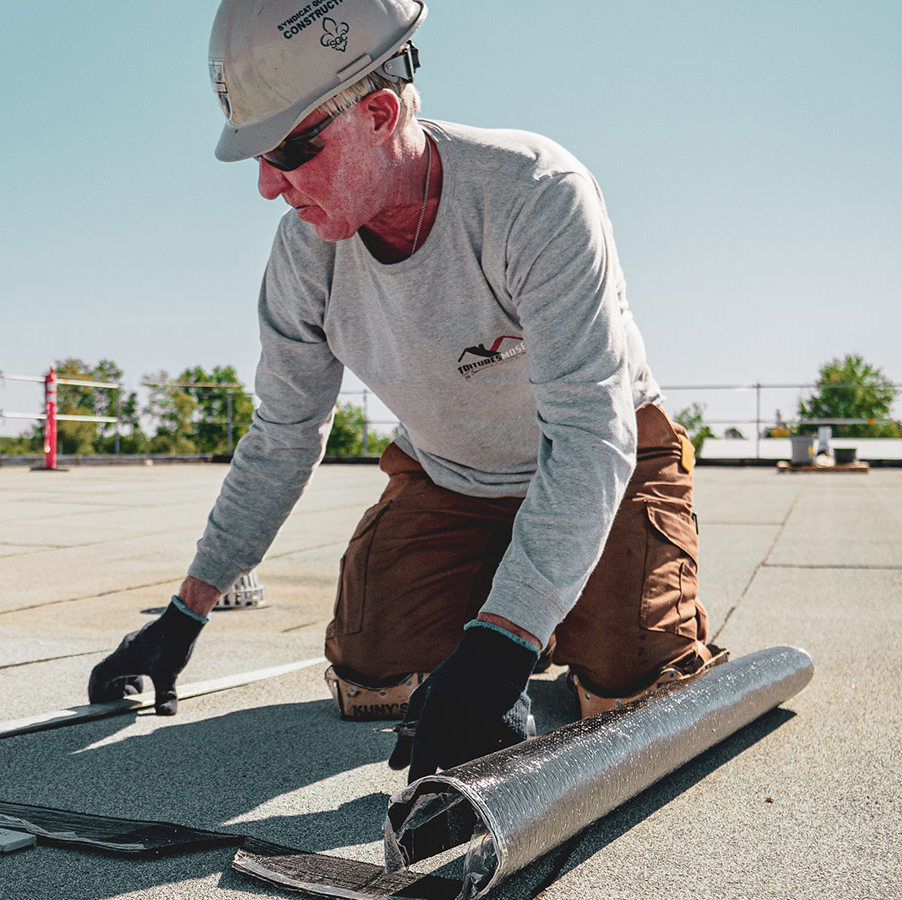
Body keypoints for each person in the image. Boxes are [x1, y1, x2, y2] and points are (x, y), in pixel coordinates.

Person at [88, 0, 725, 782]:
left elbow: (591, 434)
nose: (266, 184)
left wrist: (498, 648)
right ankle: (532, 597)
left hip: (605, 465)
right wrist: (184, 614)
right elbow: (283, 433)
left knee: (626, 691)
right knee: (371, 678)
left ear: (381, 113)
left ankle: (555, 614)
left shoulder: (534, 194)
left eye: (287, 148)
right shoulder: (304, 257)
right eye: (257, 153)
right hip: (450, 476)